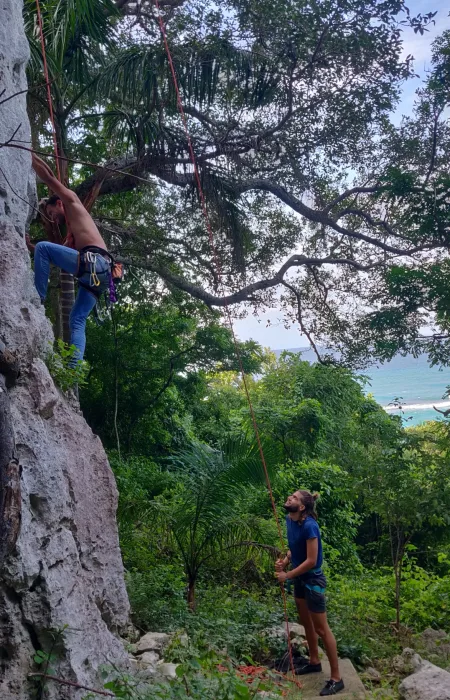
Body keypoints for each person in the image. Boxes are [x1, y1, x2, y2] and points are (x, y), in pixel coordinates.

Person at [27, 153, 112, 365]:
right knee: (77, 319)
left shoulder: (71, 201)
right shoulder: (74, 233)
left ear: (59, 203)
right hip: (100, 275)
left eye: (51, 211)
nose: (52, 218)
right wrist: (29, 246)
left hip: (95, 264)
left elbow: (48, 177)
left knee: (45, 248)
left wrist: (29, 153)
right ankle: (73, 371)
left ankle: (38, 298)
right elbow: (55, 255)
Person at [275, 489, 344, 696]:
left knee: (322, 629)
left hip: (313, 579)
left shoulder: (310, 525)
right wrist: (285, 561)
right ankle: (314, 661)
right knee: (306, 623)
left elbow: (312, 560)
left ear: (302, 507)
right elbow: (294, 549)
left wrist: (287, 575)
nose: (289, 498)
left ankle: (337, 678)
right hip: (299, 578)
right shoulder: (290, 519)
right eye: (290, 496)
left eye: (294, 497)